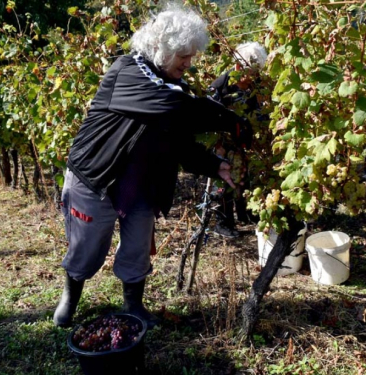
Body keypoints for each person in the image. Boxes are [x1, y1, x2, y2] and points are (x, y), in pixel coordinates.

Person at [53, 5, 252, 329]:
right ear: (161, 47)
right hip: (95, 180)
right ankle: (71, 296)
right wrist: (233, 121)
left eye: (191, 56)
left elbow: (179, 141)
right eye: (182, 55)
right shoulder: (128, 71)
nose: (188, 63)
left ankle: (134, 305)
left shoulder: (174, 85)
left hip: (142, 186)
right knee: (86, 252)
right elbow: (174, 107)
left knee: (136, 251)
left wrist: (215, 165)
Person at [208, 42, 267, 238]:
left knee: (244, 179)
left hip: (243, 142)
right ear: (239, 67)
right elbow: (209, 121)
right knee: (223, 182)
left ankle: (246, 214)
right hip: (222, 143)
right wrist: (218, 148)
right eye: (252, 72)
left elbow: (260, 113)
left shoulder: (255, 86)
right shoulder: (220, 86)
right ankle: (223, 222)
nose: (254, 77)